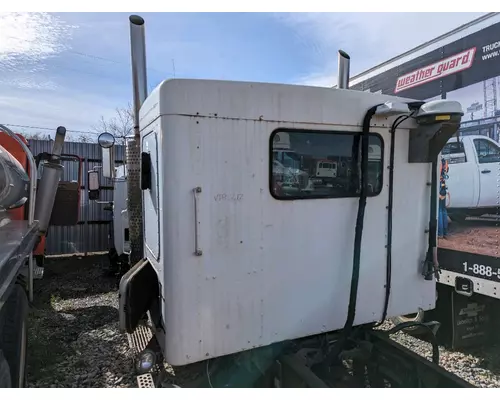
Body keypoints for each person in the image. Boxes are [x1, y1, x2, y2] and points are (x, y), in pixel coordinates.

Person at [438, 158, 450, 239]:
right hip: (443, 186)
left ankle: (440, 233)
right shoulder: (444, 161)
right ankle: (445, 232)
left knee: (439, 211)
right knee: (443, 210)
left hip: (439, 185)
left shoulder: (439, 161)